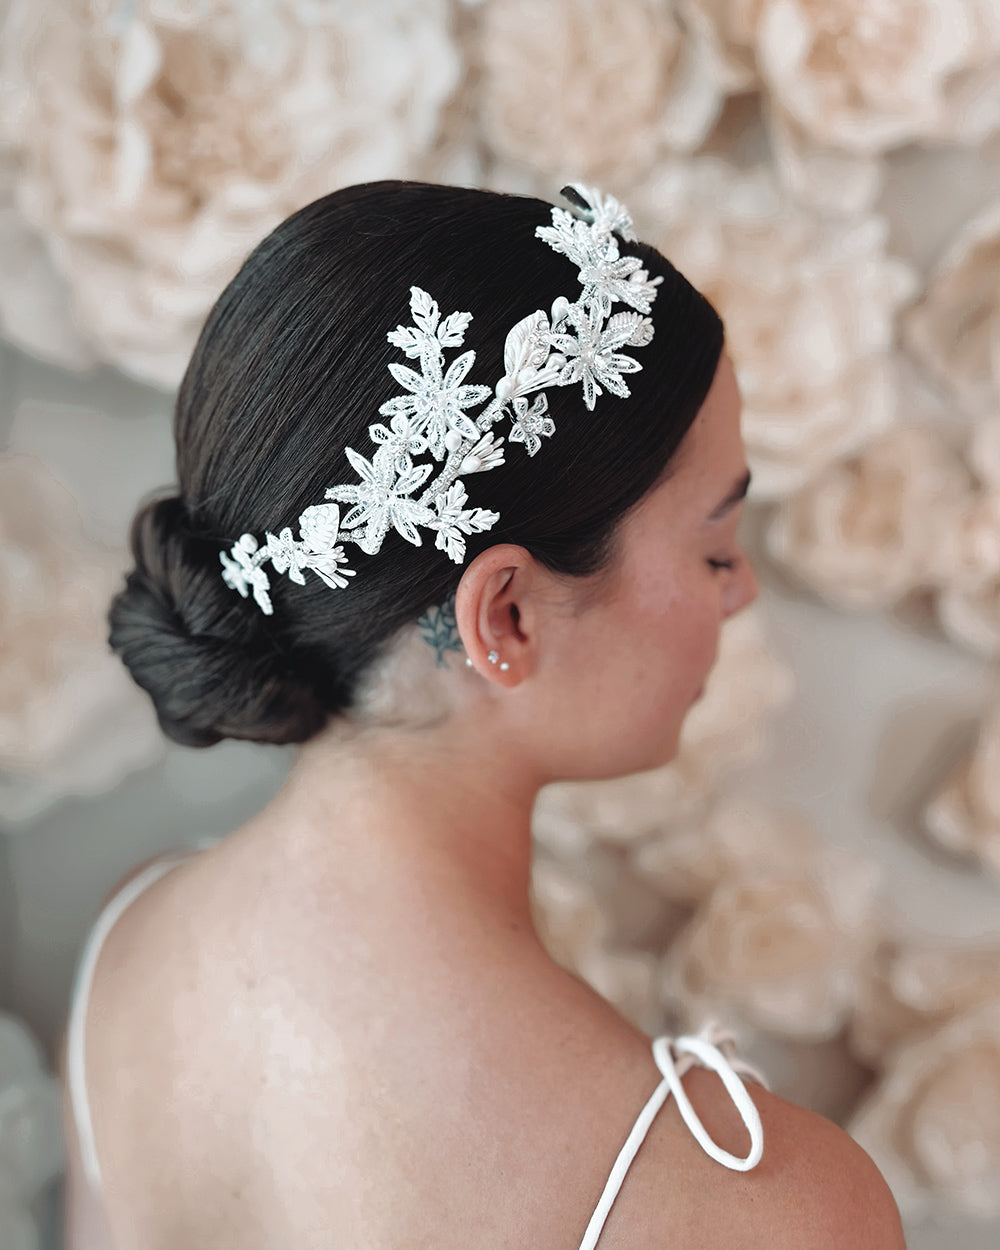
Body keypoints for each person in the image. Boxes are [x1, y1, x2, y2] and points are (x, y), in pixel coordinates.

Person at [57, 181, 906, 1249]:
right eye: (714, 546)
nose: (738, 592)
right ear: (502, 613)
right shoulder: (749, 1208)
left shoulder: (129, 944)